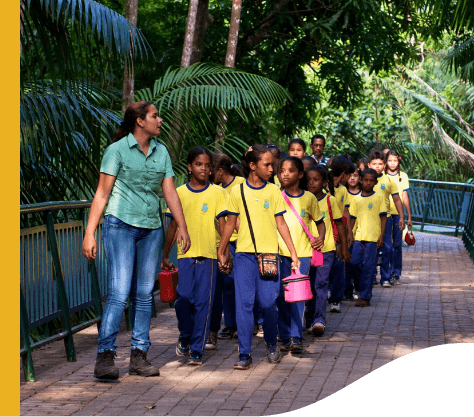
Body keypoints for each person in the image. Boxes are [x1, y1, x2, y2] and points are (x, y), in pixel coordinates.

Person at [82, 101, 191, 380]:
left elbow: (170, 193)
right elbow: (101, 195)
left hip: (151, 229)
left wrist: (182, 226)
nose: (160, 120)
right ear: (140, 121)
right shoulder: (116, 151)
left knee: (144, 295)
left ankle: (139, 356)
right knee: (119, 293)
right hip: (120, 226)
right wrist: (89, 232)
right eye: (155, 116)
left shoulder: (161, 151)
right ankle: (105, 357)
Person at [217, 144, 301, 370]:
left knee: (267, 302)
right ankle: (244, 353)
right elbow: (231, 223)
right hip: (244, 255)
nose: (272, 169)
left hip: (269, 256)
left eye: (272, 165)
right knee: (244, 304)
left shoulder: (274, 191)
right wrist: (222, 249)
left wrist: (293, 252)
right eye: (267, 165)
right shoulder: (237, 191)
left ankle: (272, 343)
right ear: (253, 166)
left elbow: (280, 223)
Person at [162, 147, 228, 366]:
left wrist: (224, 252)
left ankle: (197, 349)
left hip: (209, 255)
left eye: (208, 166)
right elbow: (172, 226)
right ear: (189, 167)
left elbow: (222, 225)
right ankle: (185, 334)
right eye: (199, 164)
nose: (204, 169)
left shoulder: (218, 193)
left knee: (203, 303)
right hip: (185, 254)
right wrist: (164, 254)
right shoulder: (178, 192)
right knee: (184, 298)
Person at [276, 157, 325, 352]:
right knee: (280, 296)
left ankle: (296, 338)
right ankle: (285, 335)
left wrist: (320, 237)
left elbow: (320, 222)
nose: (285, 174)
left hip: (303, 254)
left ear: (300, 174)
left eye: (290, 170)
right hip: (279, 253)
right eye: (281, 170)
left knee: (297, 297)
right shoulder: (276, 196)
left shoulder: (309, 198)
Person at [206, 153, 245, 346]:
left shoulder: (241, 183)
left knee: (243, 284)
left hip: (242, 242)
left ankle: (248, 323)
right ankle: (230, 325)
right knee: (227, 286)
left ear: (220, 171)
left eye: (211, 169)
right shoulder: (216, 189)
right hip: (226, 241)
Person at [304, 165, 347, 336]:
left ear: (324, 183)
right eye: (308, 180)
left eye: (316, 180)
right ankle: (308, 318)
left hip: (326, 249)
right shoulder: (303, 199)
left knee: (320, 284)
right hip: (306, 249)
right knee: (308, 285)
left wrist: (343, 247)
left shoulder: (331, 200)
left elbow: (339, 224)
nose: (311, 183)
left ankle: (319, 320)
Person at [349, 168, 387, 306]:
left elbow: (383, 218)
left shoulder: (379, 197)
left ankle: (365, 297)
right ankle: (361, 287)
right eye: (366, 180)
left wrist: (381, 235)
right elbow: (352, 218)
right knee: (354, 263)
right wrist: (349, 234)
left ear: (375, 182)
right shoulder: (356, 199)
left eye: (371, 181)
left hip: (373, 238)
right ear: (361, 180)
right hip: (358, 236)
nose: (368, 183)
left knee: (369, 267)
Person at [367, 149, 405, 287]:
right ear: (369, 165)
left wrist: (401, 217)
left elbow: (397, 200)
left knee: (387, 248)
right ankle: (371, 277)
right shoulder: (364, 179)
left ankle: (385, 277)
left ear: (384, 166)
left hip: (386, 219)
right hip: (368, 220)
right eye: (374, 163)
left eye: (380, 163)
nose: (377, 166)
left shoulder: (389, 181)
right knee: (370, 249)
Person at [326, 157, 353, 313]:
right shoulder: (324, 187)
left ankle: (336, 299)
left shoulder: (343, 190)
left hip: (338, 233)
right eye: (349, 176)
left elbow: (345, 211)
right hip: (324, 232)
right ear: (343, 174)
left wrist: (348, 232)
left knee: (338, 265)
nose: (350, 179)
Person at [385, 149, 413, 285]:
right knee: (386, 245)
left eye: (394, 161)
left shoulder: (403, 176)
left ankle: (396, 272)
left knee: (397, 244)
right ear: (386, 161)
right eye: (389, 160)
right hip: (384, 214)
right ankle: (386, 273)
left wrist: (408, 216)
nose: (392, 163)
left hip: (398, 214)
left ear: (399, 160)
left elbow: (404, 197)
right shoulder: (382, 176)